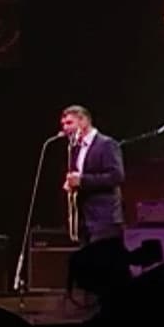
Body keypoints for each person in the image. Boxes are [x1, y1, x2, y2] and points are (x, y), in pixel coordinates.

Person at [60, 105, 125, 245]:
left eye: (69, 123)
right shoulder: (75, 147)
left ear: (83, 121)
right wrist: (71, 184)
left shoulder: (106, 144)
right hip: (85, 220)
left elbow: (116, 176)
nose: (65, 128)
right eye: (63, 124)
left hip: (105, 220)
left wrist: (82, 181)